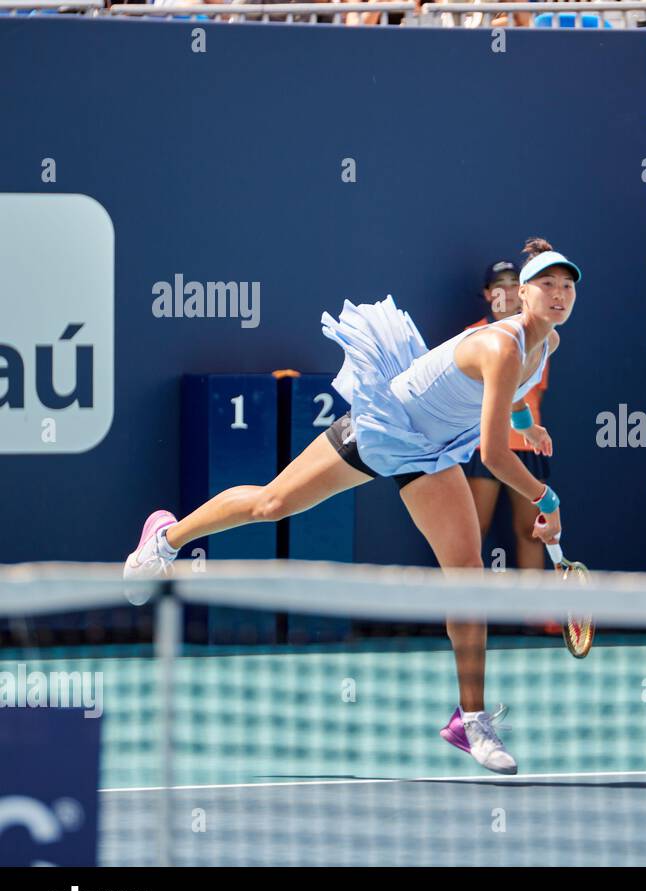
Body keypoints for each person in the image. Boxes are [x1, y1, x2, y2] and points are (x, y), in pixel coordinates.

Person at [122, 238, 581, 776]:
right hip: (387, 430)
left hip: (431, 454)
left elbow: (512, 402)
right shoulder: (501, 345)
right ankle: (165, 539)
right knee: (272, 503)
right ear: (521, 294)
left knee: (468, 575)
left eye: (567, 286)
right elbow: (494, 454)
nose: (558, 295)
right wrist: (544, 497)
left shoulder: (544, 345)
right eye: (546, 285)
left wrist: (531, 424)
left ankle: (470, 719)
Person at [462, 259, 551, 574]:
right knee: (472, 532)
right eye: (500, 284)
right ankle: (462, 613)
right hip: (481, 445)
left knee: (532, 530)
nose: (509, 291)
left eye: (515, 284)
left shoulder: (540, 337)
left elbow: (528, 394)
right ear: (488, 294)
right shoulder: (472, 336)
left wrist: (528, 428)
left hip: (526, 448)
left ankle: (536, 615)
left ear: (524, 292)